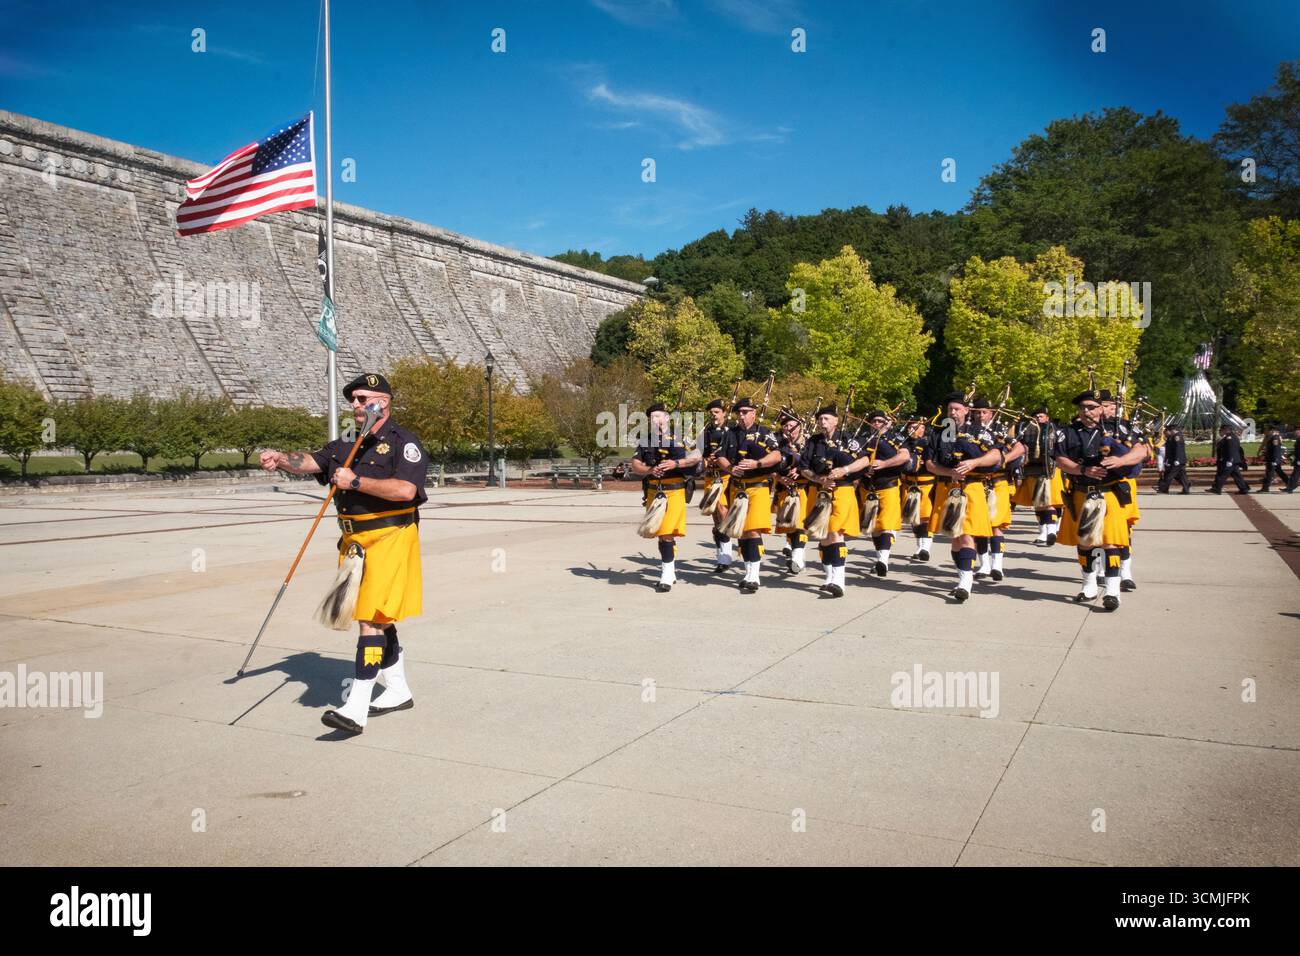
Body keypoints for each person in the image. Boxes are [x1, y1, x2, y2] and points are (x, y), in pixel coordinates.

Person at [260, 372, 427, 734]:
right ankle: (397, 690)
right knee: (380, 616)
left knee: (369, 620)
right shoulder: (348, 442)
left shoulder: (403, 443)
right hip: (353, 543)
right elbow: (314, 461)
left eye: (362, 398)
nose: (354, 404)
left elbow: (404, 491)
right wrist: (283, 459)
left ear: (382, 401)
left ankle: (356, 707)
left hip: (390, 539)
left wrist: (355, 482)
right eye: (352, 399)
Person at [1055, 388, 1143, 611]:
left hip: (1110, 492)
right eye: (1083, 407)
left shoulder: (1118, 427)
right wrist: (1083, 469)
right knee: (1085, 542)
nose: (1087, 411)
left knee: (1109, 541)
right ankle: (1089, 585)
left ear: (1102, 408)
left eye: (1092, 407)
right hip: (1082, 492)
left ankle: (1112, 591)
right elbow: (1060, 460)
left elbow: (1143, 451)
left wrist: (1121, 461)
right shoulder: (1069, 431)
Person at [925, 391, 1000, 603]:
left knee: (966, 535)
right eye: (950, 409)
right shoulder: (938, 433)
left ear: (967, 411)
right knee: (956, 538)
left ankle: (966, 583)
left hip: (971, 488)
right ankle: (961, 579)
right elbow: (929, 464)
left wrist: (973, 463)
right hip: (947, 488)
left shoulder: (978, 432)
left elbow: (996, 455)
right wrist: (949, 472)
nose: (953, 413)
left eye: (957, 409)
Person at [630, 403, 700, 592]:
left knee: (666, 532)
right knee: (661, 533)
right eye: (652, 417)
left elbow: (697, 456)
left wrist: (676, 463)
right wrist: (650, 469)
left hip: (675, 491)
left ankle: (666, 575)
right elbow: (635, 465)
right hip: (654, 492)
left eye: (659, 416)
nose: (656, 420)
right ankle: (670, 570)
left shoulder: (681, 436)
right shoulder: (645, 440)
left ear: (667, 418)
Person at [715, 397, 782, 592]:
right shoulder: (730, 434)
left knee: (753, 530)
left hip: (758, 486)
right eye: (739, 412)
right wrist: (730, 468)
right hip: (737, 488)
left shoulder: (764, 433)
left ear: (754, 413)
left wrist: (757, 463)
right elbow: (720, 456)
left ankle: (754, 575)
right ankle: (747, 571)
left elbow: (776, 455)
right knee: (742, 532)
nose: (742, 415)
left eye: (745, 412)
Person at [837, 409, 912, 577]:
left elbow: (904, 456)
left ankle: (883, 560)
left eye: (880, 421)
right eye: (874, 421)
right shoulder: (862, 439)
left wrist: (884, 464)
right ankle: (880, 559)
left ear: (887, 422)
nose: (877, 424)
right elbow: (850, 458)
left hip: (888, 485)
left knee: (885, 524)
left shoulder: (896, 438)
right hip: (866, 487)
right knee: (874, 528)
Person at [801, 403, 862, 597]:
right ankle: (829, 577)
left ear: (836, 420)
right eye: (820, 419)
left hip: (842, 491)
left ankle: (839, 581)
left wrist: (845, 470)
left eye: (826, 418)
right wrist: (819, 479)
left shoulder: (848, 438)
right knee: (825, 537)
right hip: (820, 492)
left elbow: (865, 460)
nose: (822, 422)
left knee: (836, 533)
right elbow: (804, 467)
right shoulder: (813, 441)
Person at [972, 399, 1026, 582]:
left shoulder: (999, 431)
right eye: (978, 412)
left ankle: (997, 566)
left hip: (998, 482)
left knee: (995, 525)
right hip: (977, 482)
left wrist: (1004, 459)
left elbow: (1020, 447)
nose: (981, 416)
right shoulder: (968, 431)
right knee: (979, 526)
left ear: (991, 413)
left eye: (984, 412)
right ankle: (984, 565)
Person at [1012, 407, 1065, 545]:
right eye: (1036, 416)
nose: (1038, 418)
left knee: (1048, 502)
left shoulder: (1055, 430)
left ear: (1047, 417)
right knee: (1038, 504)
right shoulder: (1026, 429)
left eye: (1041, 416)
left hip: (1050, 471)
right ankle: (1043, 532)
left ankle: (1052, 530)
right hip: (1031, 470)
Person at [772, 411, 812, 573]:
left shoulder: (811, 444)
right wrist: (780, 479)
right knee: (789, 526)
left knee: (800, 524)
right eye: (785, 426)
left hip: (805, 488)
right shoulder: (778, 445)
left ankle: (797, 556)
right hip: (784, 489)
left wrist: (802, 469)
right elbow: (770, 468)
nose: (789, 429)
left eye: (792, 425)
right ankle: (796, 553)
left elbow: (818, 465)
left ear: (800, 427)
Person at [697, 399, 735, 571]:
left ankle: (726, 555)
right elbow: (701, 453)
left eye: (716, 412)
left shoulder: (732, 430)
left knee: (722, 512)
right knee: (715, 516)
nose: (713, 415)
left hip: (726, 477)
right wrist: (706, 460)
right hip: (710, 477)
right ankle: (722, 555)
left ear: (724, 413)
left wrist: (721, 459)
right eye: (711, 412)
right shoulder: (706, 431)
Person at [899, 414, 936, 561]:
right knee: (913, 518)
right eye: (910, 427)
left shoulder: (928, 443)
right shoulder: (903, 443)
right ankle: (920, 546)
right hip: (908, 484)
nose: (912, 429)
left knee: (925, 517)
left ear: (923, 429)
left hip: (925, 483)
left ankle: (925, 548)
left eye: (916, 427)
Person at [1208, 424, 1251, 494]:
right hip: (1233, 460)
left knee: (1222, 475)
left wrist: (1230, 460)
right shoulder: (1232, 437)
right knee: (1237, 476)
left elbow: (1231, 450)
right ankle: (1244, 489)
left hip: (1230, 460)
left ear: (1226, 430)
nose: (1220, 432)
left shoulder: (1229, 438)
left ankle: (1217, 489)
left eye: (1221, 430)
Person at [1156, 425, 1190, 494]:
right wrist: (1166, 460)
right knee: (1181, 475)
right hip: (1173, 460)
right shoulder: (1171, 437)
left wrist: (1177, 459)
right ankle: (1186, 487)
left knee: (1169, 475)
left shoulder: (1177, 436)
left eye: (1167, 431)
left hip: (1178, 460)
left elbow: (1178, 449)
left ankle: (1163, 488)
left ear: (1171, 430)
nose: (1166, 433)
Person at [1258, 425, 1289, 493]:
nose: (1264, 431)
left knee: (1269, 473)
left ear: (1271, 430)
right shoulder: (1270, 437)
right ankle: (1290, 484)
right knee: (1280, 472)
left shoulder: (1275, 438)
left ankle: (1265, 488)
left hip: (1273, 459)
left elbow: (1276, 449)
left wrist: (1275, 460)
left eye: (1266, 430)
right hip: (1272, 459)